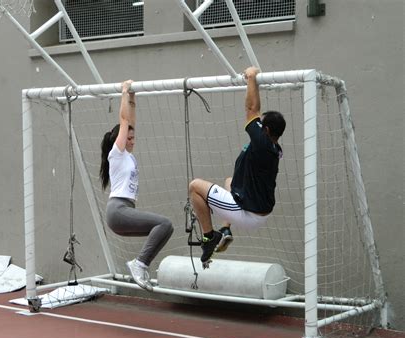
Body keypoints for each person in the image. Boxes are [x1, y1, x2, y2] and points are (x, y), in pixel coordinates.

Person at [189, 67, 286, 268]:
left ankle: (209, 237)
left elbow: (252, 109)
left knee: (195, 187)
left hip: (247, 214)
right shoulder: (274, 147)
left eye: (261, 125)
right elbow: (257, 115)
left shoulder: (261, 143)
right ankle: (225, 230)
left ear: (265, 130)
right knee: (229, 181)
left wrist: (251, 78)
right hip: (259, 211)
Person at [99, 80, 174, 291]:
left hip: (125, 212)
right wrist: (123, 92)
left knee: (163, 229)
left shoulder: (129, 157)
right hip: (118, 210)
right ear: (120, 141)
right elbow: (124, 120)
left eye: (133, 137)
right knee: (164, 224)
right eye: (129, 138)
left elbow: (129, 120)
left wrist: (132, 97)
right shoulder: (117, 153)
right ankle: (139, 264)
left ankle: (140, 264)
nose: (132, 140)